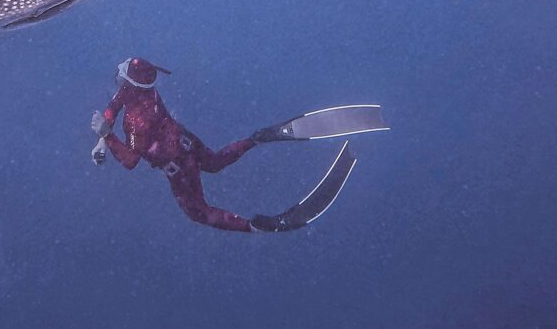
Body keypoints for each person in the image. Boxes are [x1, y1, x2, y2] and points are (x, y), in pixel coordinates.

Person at [90, 58, 389, 233]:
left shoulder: (137, 123)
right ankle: (257, 138)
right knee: (216, 162)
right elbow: (114, 105)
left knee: (198, 213)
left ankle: (252, 226)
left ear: (127, 81)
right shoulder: (144, 94)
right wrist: (104, 130)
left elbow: (130, 161)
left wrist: (109, 136)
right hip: (185, 140)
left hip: (176, 165)